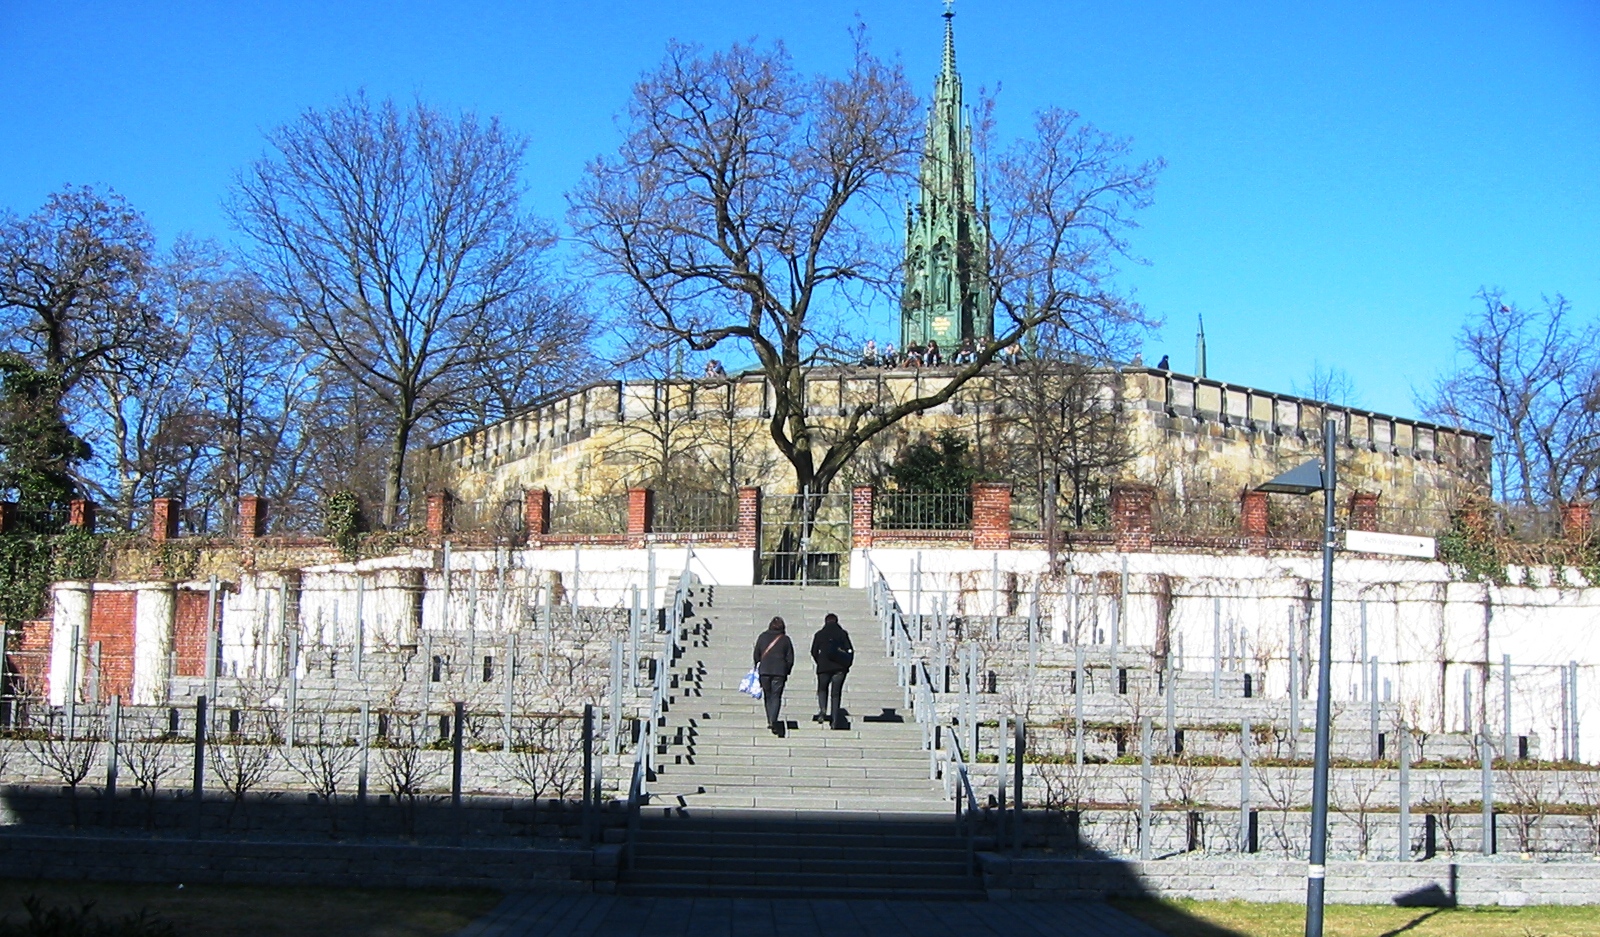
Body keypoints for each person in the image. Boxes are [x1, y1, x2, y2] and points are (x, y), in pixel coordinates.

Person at [810, 612, 854, 729]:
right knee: (836, 694)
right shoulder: (842, 634)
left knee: (822, 689)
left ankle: (823, 710)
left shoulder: (819, 634)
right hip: (839, 668)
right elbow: (850, 649)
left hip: (824, 667)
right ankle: (834, 720)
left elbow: (813, 651)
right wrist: (847, 665)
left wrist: (819, 661)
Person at [753, 616, 794, 736]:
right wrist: (787, 671)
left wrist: (758, 665)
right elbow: (790, 658)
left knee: (768, 695)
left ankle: (770, 719)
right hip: (779, 672)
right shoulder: (785, 639)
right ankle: (773, 719)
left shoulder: (762, 637)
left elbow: (756, 654)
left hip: (765, 671)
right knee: (776, 696)